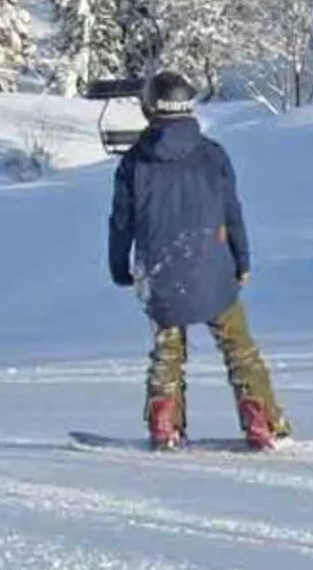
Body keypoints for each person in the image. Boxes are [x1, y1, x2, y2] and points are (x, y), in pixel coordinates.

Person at [107, 71, 289, 451]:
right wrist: (241, 260)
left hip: (160, 270)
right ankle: (260, 418)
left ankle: (164, 420)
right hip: (213, 267)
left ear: (150, 107)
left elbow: (122, 222)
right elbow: (231, 212)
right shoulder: (212, 155)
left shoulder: (134, 163)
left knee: (167, 351)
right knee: (238, 347)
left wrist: (119, 266)